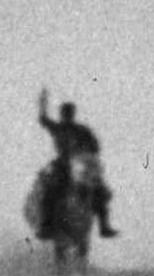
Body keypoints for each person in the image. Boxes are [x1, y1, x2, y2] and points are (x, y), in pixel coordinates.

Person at [35, 90, 119, 239]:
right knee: (50, 189)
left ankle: (104, 226)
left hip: (81, 165)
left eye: (69, 113)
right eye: (64, 114)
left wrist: (88, 151)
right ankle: (46, 226)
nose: (67, 116)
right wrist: (42, 103)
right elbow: (43, 119)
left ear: (73, 114)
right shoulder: (57, 128)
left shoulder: (82, 130)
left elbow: (95, 146)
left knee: (98, 190)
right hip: (62, 165)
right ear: (62, 115)